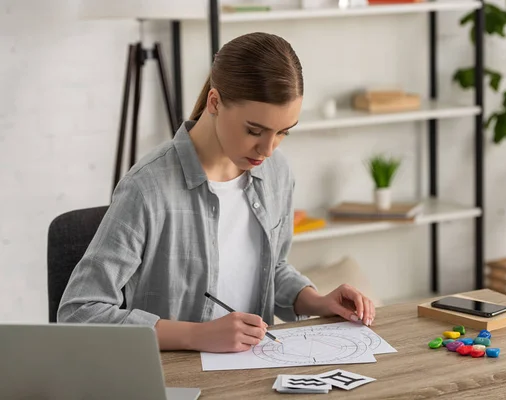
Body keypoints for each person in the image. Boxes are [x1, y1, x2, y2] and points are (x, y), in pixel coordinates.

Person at [57, 32, 376, 353]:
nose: (267, 148)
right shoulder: (147, 188)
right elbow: (79, 313)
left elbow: (272, 269)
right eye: (254, 130)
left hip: (256, 370)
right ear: (214, 102)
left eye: (282, 133)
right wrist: (196, 335)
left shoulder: (277, 172)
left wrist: (317, 301)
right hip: (176, 381)